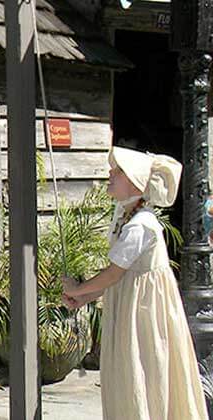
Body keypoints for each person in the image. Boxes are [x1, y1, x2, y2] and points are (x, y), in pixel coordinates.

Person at [61, 146, 208, 420]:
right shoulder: (124, 218)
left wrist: (77, 288)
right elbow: (120, 277)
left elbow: (115, 273)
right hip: (129, 304)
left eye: (118, 172)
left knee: (143, 370)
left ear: (135, 182)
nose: (110, 174)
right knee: (128, 372)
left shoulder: (141, 225)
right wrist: (85, 298)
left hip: (143, 313)